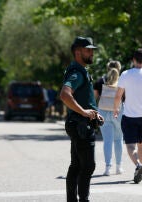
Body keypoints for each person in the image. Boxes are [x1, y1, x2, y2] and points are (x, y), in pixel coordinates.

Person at [60, 36, 104, 202]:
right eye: (88, 50)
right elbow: (65, 94)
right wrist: (84, 112)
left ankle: (72, 200)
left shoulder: (79, 69)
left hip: (78, 123)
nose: (92, 53)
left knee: (77, 165)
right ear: (78, 52)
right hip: (80, 125)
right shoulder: (77, 72)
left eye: (92, 50)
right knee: (88, 165)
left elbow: (82, 98)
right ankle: (83, 200)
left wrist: (93, 112)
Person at [114, 48, 142, 184]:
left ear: (133, 60)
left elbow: (118, 95)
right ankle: (139, 168)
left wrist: (116, 109)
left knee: (130, 146)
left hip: (129, 116)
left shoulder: (125, 74)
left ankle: (138, 165)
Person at [93, 61, 124, 176]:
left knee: (107, 141)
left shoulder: (100, 81)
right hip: (118, 112)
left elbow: (94, 98)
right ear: (119, 69)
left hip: (103, 113)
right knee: (118, 139)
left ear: (107, 68)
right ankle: (119, 167)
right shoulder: (122, 82)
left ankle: (107, 168)